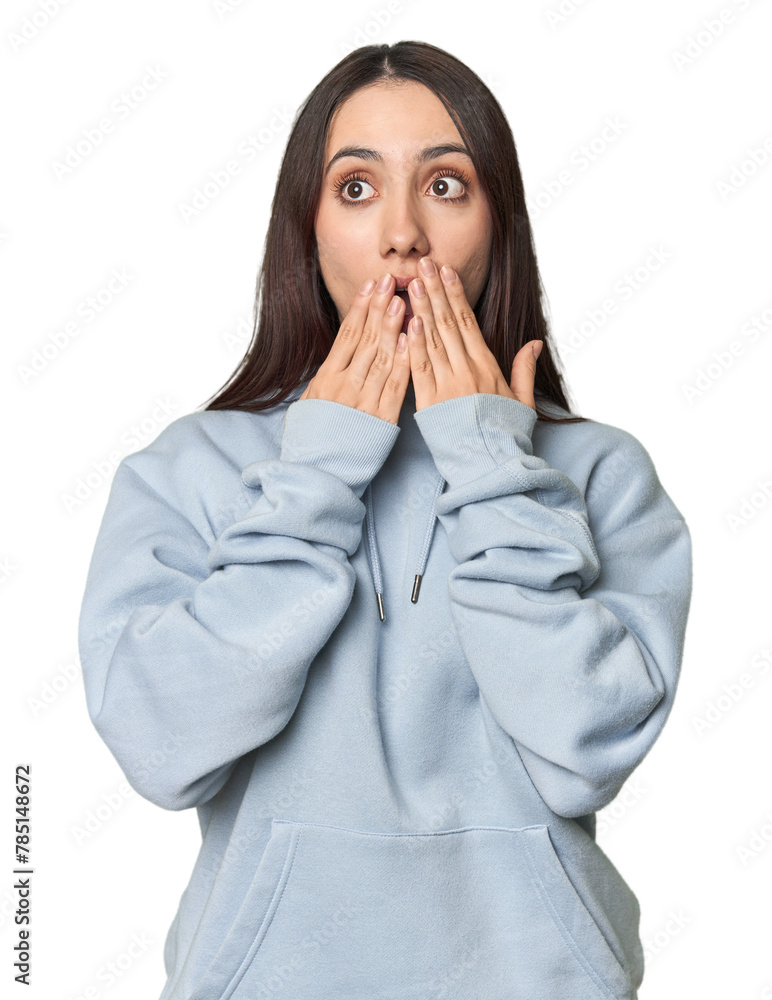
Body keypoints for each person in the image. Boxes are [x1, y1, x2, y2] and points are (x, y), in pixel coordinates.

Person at [78, 40, 693, 1000]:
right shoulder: (192, 469)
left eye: (446, 185)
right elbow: (162, 748)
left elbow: (584, 751)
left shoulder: (598, 473)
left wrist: (491, 463)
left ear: (499, 223)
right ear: (307, 227)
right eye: (356, 190)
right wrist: (319, 471)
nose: (403, 234)